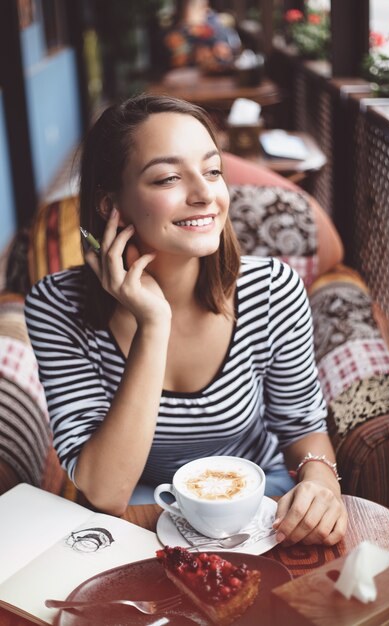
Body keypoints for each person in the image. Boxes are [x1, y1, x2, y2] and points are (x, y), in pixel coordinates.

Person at [25, 93, 347, 546]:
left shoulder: (273, 289)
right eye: (168, 178)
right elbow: (104, 493)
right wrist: (153, 324)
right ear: (108, 203)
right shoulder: (57, 306)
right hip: (138, 514)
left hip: (259, 508)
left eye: (213, 170)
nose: (204, 195)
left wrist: (320, 483)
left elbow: (302, 428)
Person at [164, 0, 241, 73]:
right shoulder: (183, 31)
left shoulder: (216, 23)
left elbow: (230, 49)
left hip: (221, 68)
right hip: (194, 72)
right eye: (196, 7)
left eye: (203, 7)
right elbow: (178, 61)